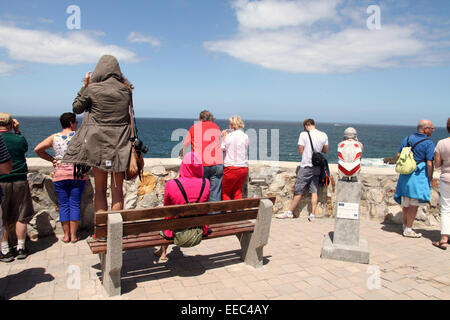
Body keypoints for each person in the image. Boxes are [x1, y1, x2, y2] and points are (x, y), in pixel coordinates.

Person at [63, 55, 133, 218]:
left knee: (100, 190)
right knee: (117, 191)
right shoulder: (126, 90)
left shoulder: (92, 88)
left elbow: (76, 108)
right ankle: (116, 233)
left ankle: (101, 231)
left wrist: (85, 85)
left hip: (97, 146)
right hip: (120, 146)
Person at [34, 113, 87, 243]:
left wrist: (52, 159)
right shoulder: (80, 136)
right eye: (76, 122)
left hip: (60, 174)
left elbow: (38, 149)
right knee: (74, 204)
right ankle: (74, 236)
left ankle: (66, 236)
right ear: (71, 123)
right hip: (77, 174)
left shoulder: (55, 137)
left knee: (63, 205)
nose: (76, 124)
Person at [154, 152, 210, 261]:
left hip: (175, 229)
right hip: (199, 228)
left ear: (184, 166)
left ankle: (163, 253)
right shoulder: (206, 183)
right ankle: (162, 252)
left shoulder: (172, 184)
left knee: (166, 220)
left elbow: (167, 208)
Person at [276, 119, 328, 221]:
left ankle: (289, 212)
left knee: (299, 190)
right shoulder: (323, 135)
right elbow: (325, 150)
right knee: (314, 191)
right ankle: (312, 214)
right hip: (317, 167)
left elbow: (300, 151)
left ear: (306, 126)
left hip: (306, 166)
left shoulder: (304, 134)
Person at [0, 113, 34, 261]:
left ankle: (5, 249)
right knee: (22, 215)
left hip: (1, 181)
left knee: (3, 217)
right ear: (11, 124)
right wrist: (17, 130)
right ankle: (21, 247)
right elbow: (25, 148)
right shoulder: (19, 139)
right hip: (20, 180)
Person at [394, 119, 435, 238]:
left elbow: (398, 155)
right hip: (418, 176)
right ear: (425, 129)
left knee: (406, 203)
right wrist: (430, 176)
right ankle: (409, 229)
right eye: (431, 128)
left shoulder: (407, 139)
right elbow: (429, 163)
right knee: (414, 204)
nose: (432, 131)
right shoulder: (428, 143)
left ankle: (405, 225)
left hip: (405, 175)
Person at [181, 110, 223, 202]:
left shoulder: (194, 127)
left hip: (201, 165)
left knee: (200, 192)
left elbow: (186, 144)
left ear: (200, 118)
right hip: (217, 163)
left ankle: (202, 214)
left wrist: (182, 154)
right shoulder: (216, 127)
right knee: (215, 193)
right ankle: (214, 214)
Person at [221, 116, 249, 200]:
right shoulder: (245, 136)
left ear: (233, 125)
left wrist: (223, 137)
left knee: (225, 192)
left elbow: (222, 148)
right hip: (243, 168)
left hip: (231, 168)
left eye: (230, 124)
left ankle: (228, 212)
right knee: (237, 191)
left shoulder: (229, 136)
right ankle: (238, 211)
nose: (229, 125)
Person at [432, 117, 450, 249]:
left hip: (446, 179)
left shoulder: (441, 143)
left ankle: (444, 239)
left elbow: (437, 164)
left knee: (446, 208)